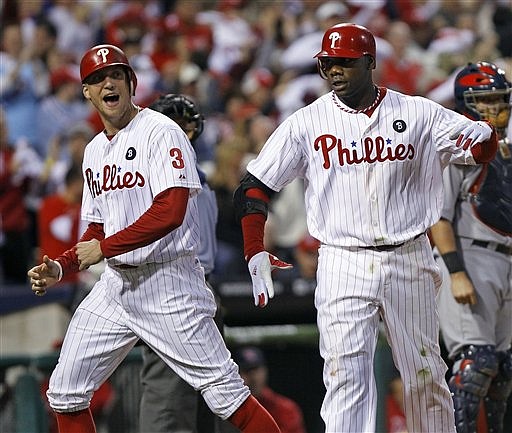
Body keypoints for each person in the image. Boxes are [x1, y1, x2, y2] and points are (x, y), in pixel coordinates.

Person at [232, 23, 499, 433]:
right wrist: (253, 249)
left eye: (344, 62)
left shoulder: (417, 112)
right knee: (345, 378)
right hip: (342, 259)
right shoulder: (307, 122)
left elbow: (479, 149)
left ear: (370, 62)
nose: (334, 70)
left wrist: (484, 134)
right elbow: (254, 188)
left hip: (408, 254)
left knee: (425, 376)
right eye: (327, 64)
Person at [26, 43, 281, 433]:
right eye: (97, 79)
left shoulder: (162, 132)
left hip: (168, 282)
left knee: (228, 396)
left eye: (116, 74)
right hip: (116, 284)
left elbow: (171, 211)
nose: (107, 83)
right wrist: (63, 264)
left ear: (131, 82)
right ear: (87, 93)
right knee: (64, 393)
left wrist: (105, 248)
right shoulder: (94, 150)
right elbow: (97, 228)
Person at [138, 93, 235, 433]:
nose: (181, 132)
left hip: (191, 286)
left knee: (205, 405)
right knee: (175, 402)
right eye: (173, 124)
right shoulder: (146, 173)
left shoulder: (197, 177)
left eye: (187, 126)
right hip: (172, 286)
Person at [429, 61, 512, 433]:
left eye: (500, 99)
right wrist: (456, 271)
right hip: (469, 254)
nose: (497, 108)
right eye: (487, 100)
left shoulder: (506, 149)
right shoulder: (457, 147)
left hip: (506, 259)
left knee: (504, 368)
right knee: (474, 364)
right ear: (467, 104)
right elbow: (438, 218)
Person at [233, 346, 307, 433]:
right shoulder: (230, 408)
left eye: (256, 370)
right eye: (246, 371)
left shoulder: (286, 409)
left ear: (265, 371)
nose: (253, 377)